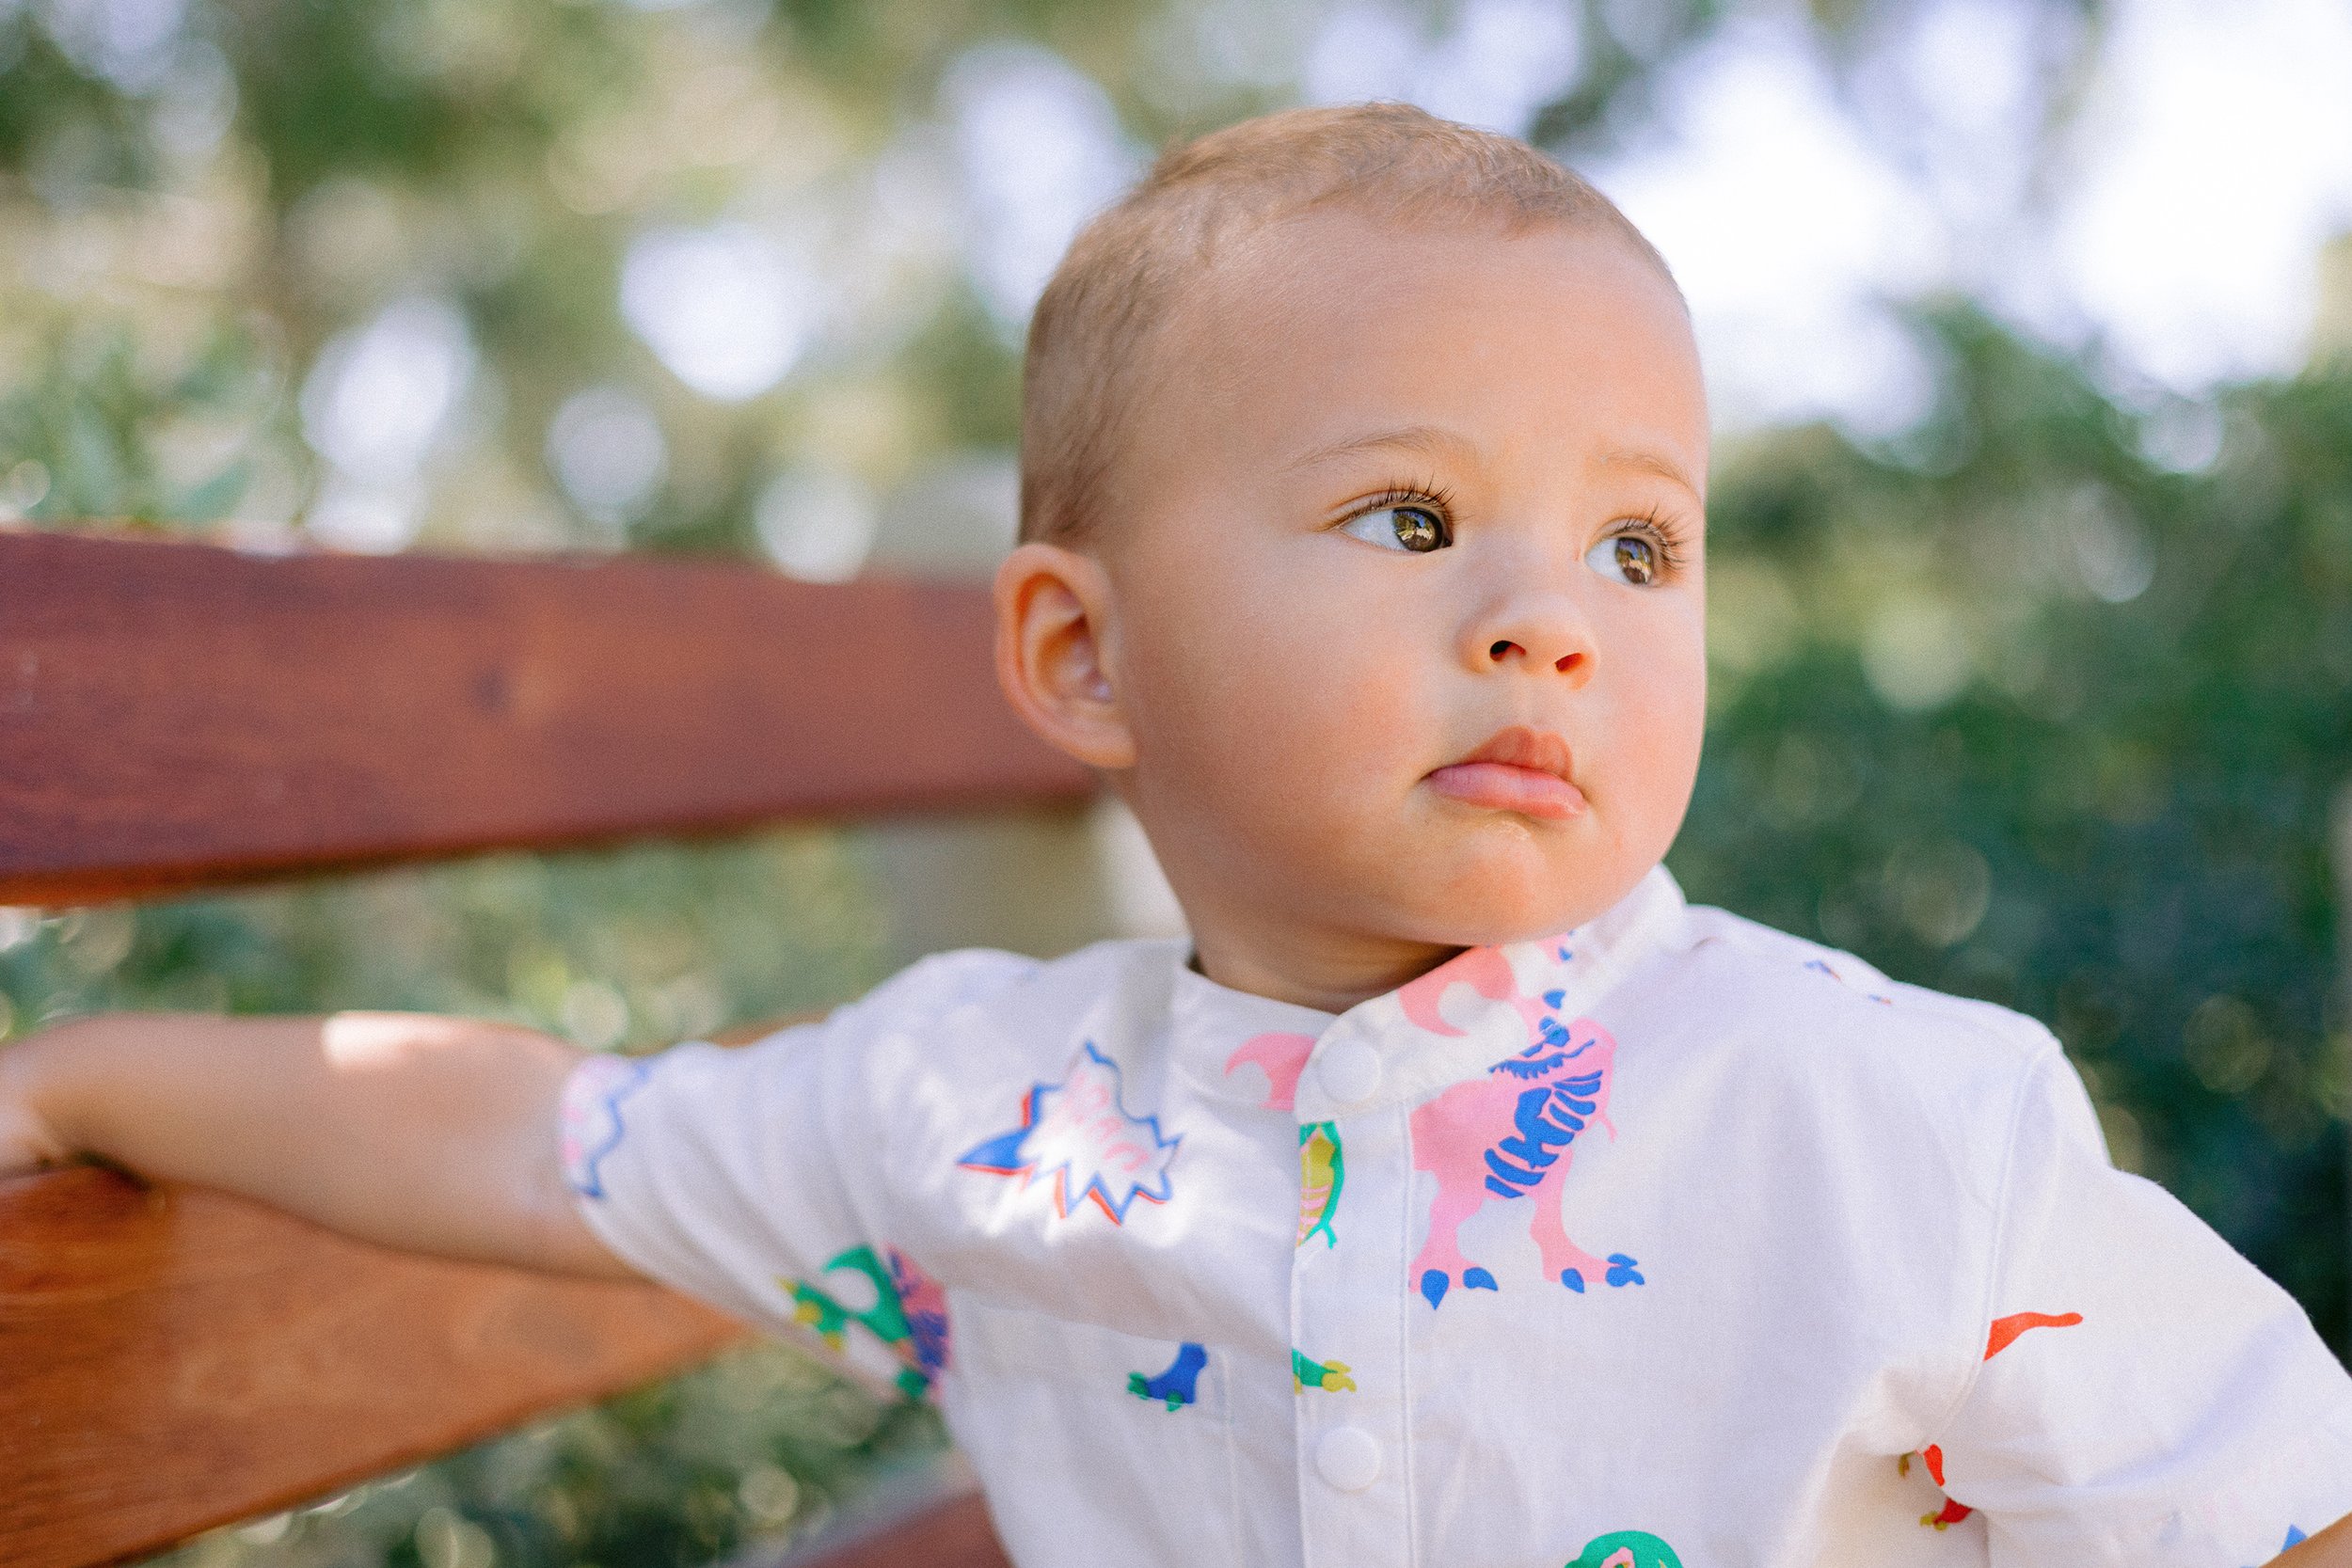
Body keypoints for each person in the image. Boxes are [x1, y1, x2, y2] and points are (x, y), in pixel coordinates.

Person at [3, 104, 2348, 1568]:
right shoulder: (966, 1114)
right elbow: (532, 1138)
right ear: (1078, 657)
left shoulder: (1886, 1122)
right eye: (1411, 514)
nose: (1548, 622)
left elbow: (2262, 1512)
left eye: (1640, 549)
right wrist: (79, 1084)